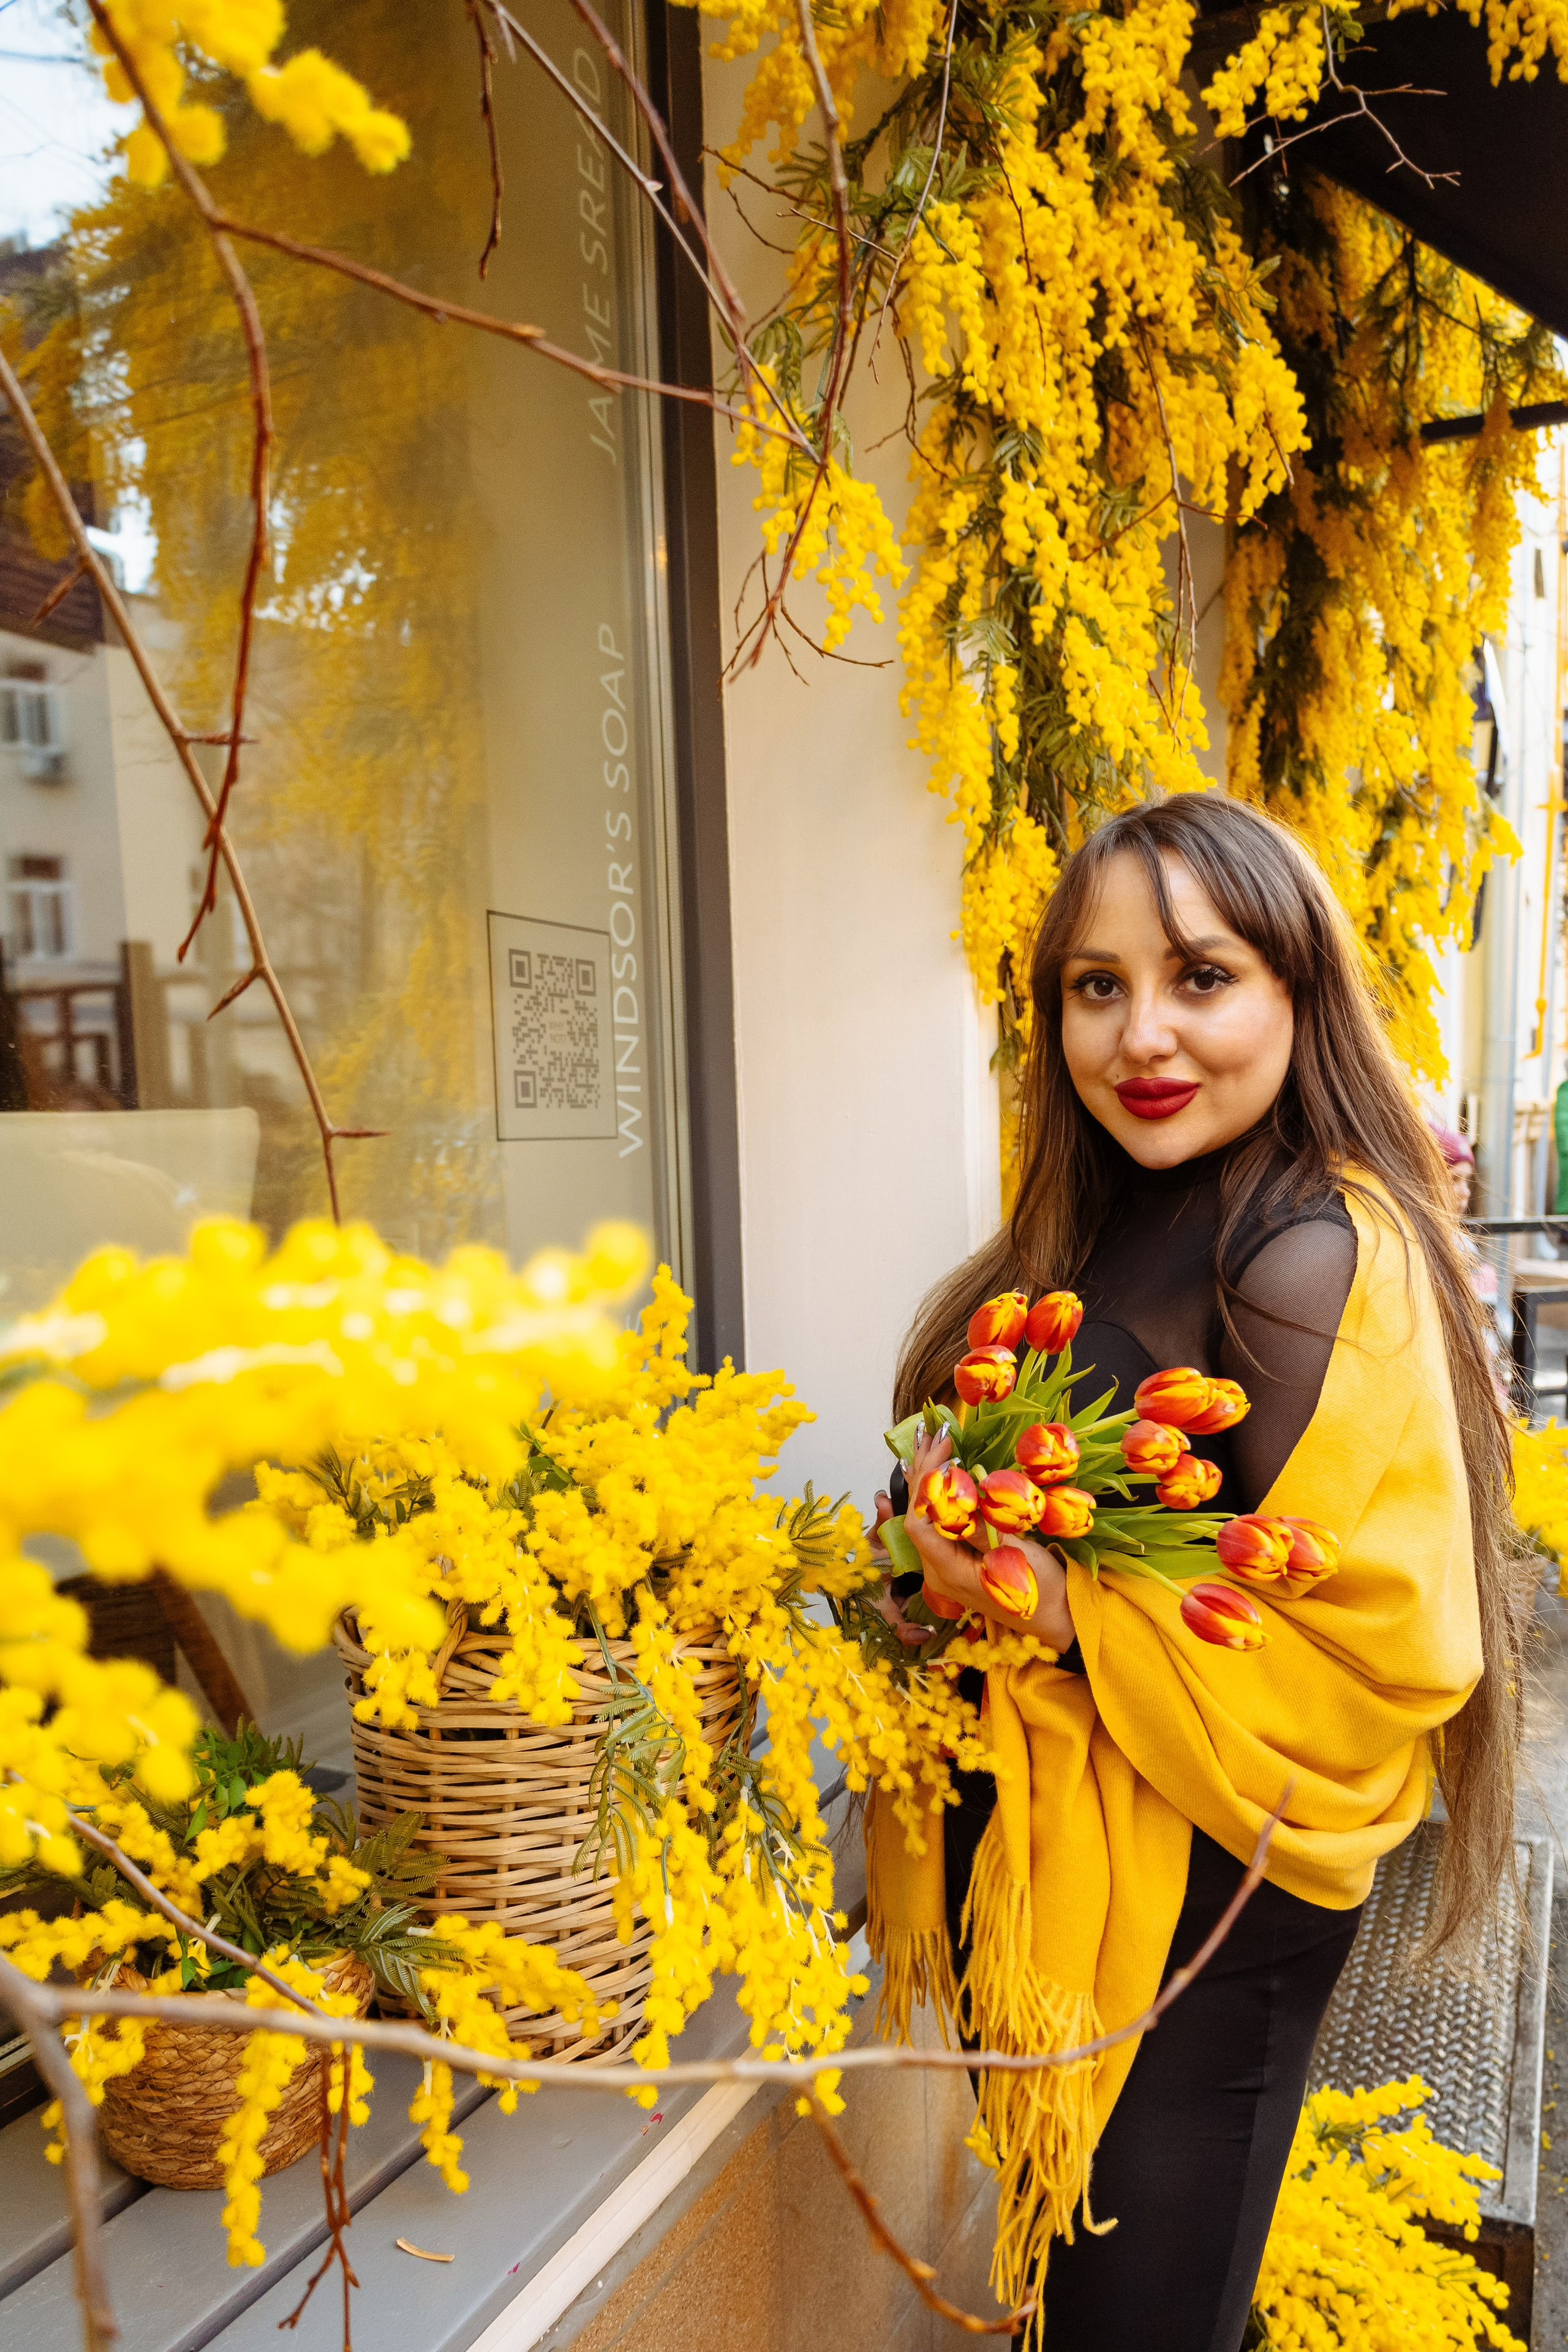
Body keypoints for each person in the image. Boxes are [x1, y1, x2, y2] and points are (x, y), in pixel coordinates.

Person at [866, 793, 1520, 2352]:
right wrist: (925, 1566)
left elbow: (1381, 1650)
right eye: (1094, 986)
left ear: (1298, 989)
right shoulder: (1103, 1220)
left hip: (1204, 1919)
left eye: (1200, 977)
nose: (1139, 1035)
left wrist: (1052, 1605)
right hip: (1070, 1898)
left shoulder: (1304, 1259)